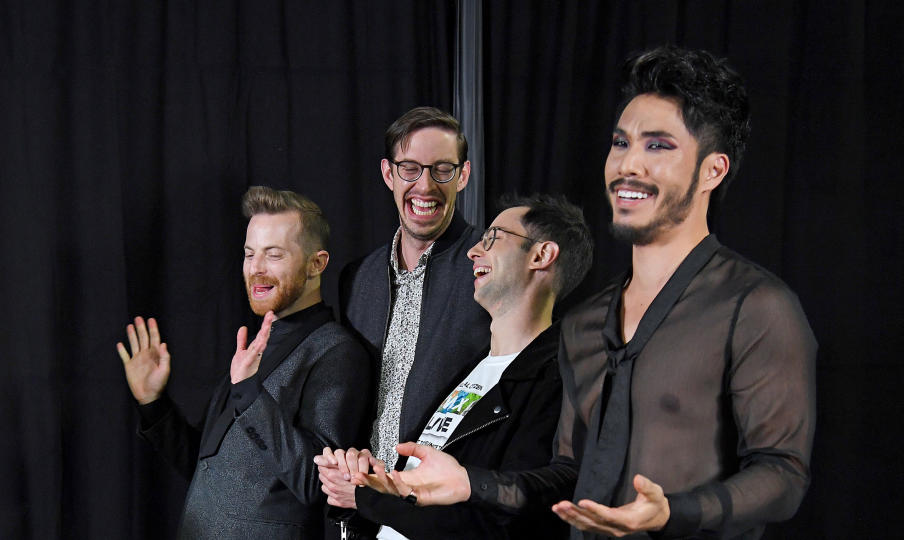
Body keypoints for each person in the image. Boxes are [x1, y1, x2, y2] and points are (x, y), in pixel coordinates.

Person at [369, 46, 817, 540]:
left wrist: (672, 512)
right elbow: (563, 475)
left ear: (713, 169)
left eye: (659, 146)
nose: (629, 164)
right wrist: (470, 484)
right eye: (621, 142)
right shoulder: (584, 326)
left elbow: (782, 474)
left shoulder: (755, 306)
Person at [317, 194, 594, 539]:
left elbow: (502, 521)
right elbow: (422, 493)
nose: (473, 251)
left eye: (493, 238)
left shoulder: (558, 381)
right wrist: (374, 482)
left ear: (541, 255)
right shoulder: (471, 369)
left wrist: (369, 499)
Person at [116, 186, 372, 539]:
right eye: (249, 254)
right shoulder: (256, 348)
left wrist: (251, 395)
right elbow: (206, 468)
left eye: (274, 255)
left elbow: (316, 482)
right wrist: (153, 404)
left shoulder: (337, 352)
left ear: (317, 264)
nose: (256, 268)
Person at [337, 108, 491, 473]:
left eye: (442, 169)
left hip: (445, 501)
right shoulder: (357, 278)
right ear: (389, 174)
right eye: (410, 168)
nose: (425, 186)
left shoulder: (487, 266)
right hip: (367, 497)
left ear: (463, 175)